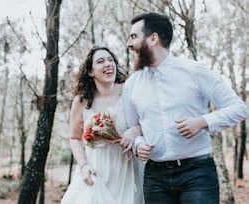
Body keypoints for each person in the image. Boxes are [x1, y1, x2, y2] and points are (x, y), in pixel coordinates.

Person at [123, 12, 249, 204]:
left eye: (133, 36)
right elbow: (133, 128)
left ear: (153, 38)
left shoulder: (194, 71)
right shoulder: (132, 85)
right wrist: (139, 144)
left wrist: (203, 122)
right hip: (155, 177)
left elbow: (239, 108)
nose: (129, 44)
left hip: (197, 173)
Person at [61, 46, 144, 204]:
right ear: (91, 71)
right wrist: (84, 166)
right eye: (100, 61)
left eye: (110, 60)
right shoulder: (81, 101)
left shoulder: (128, 91)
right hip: (95, 170)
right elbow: (74, 137)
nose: (108, 64)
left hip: (125, 169)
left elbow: (146, 121)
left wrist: (135, 131)